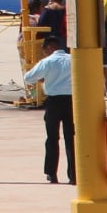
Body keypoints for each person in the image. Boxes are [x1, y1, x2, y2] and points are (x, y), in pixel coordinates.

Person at [21, 34, 76, 184]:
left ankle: (51, 173)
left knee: (52, 138)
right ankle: (74, 175)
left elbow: (28, 77)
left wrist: (43, 78)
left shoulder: (47, 61)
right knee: (71, 139)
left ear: (49, 48)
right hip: (72, 101)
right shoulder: (73, 59)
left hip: (54, 102)